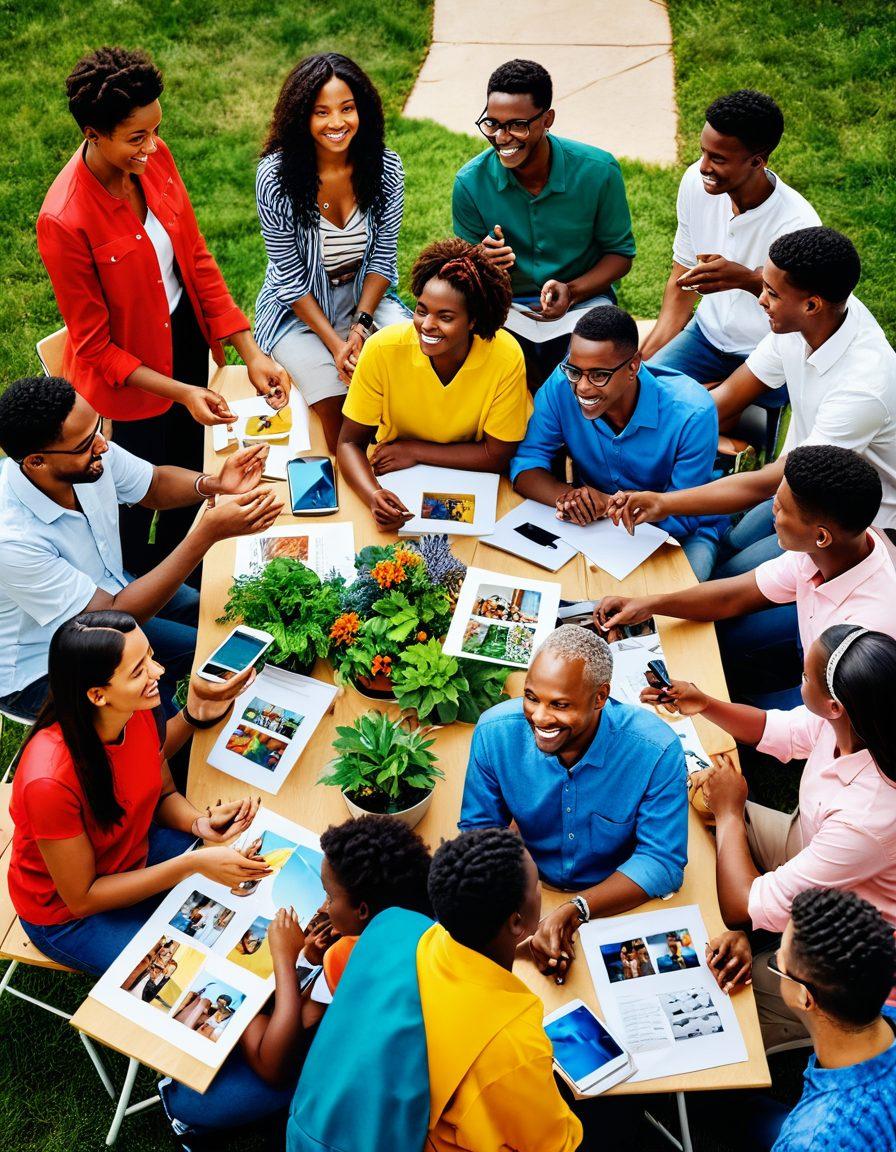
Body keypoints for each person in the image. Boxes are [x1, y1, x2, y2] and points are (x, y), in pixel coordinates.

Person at [37, 46, 288, 574]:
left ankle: (186, 575)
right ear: (92, 133)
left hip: (186, 343)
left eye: (156, 130)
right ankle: (134, 595)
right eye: (136, 137)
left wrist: (250, 350)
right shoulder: (63, 219)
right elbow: (94, 346)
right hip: (128, 384)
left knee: (193, 478)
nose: (153, 147)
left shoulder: (156, 158)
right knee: (131, 503)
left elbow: (194, 257)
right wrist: (180, 393)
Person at [645, 626, 896, 1047]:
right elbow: (773, 728)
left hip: (857, 949)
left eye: (803, 679)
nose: (798, 685)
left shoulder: (867, 820)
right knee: (704, 805)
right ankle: (762, 923)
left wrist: (730, 813)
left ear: (834, 706)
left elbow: (740, 907)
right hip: (820, 856)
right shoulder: (863, 719)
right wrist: (703, 703)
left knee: (722, 995)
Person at [612, 227, 896, 576]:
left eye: (772, 294)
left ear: (811, 305)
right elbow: (727, 398)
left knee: (728, 578)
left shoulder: (863, 388)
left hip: (856, 525)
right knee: (729, 541)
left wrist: (663, 502)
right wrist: (635, 436)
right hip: (797, 484)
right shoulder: (809, 321)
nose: (760, 299)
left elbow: (767, 481)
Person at [0, 376, 282, 721]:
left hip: (109, 594)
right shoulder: (11, 540)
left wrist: (213, 484)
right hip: (43, 667)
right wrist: (205, 535)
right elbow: (115, 617)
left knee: (210, 610)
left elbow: (155, 484)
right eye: (86, 443)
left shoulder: (86, 450)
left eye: (99, 427)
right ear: (37, 462)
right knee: (198, 663)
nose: (103, 445)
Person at [7, 611, 274, 976]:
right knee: (188, 973)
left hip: (136, 853)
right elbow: (83, 897)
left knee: (258, 888)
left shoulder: (136, 711)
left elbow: (163, 795)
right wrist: (190, 864)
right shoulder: (48, 782)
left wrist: (199, 824)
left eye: (149, 655)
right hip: (70, 916)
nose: (158, 671)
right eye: (138, 670)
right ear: (98, 695)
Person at [286, 827, 582, 1151]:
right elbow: (553, 1144)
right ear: (515, 922)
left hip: (314, 1124)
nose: (539, 888)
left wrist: (517, 950)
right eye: (536, 883)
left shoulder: (395, 926)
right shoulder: (514, 1043)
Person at [160, 814, 433, 1147]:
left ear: (363, 910)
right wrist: (307, 960)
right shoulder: (416, 930)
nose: (322, 906)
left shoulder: (350, 958)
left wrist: (284, 960)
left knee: (199, 1099)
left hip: (348, 1105)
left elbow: (275, 1063)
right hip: (390, 1085)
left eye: (330, 898)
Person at [459, 625, 687, 984]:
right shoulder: (493, 733)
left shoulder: (656, 750)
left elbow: (661, 861)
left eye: (560, 705)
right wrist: (514, 923)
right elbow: (478, 833)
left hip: (618, 900)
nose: (540, 718)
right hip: (527, 899)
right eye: (532, 697)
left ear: (600, 697)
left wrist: (577, 909)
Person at [598, 445, 896, 710]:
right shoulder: (826, 552)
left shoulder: (865, 629)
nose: (771, 516)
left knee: (736, 709)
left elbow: (826, 722)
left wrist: (711, 707)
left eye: (780, 511)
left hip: (842, 706)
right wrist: (649, 604)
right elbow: (733, 596)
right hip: (818, 666)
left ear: (820, 536)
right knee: (719, 645)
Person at [255, 53, 410, 452]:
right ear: (300, 118)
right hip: (298, 311)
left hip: (365, 301)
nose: (337, 123)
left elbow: (382, 261)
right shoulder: (275, 177)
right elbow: (287, 278)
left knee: (410, 376)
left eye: (347, 108)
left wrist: (360, 328)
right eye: (321, 112)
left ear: (364, 111)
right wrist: (337, 345)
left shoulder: (387, 168)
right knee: (339, 412)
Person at [452, 58, 635, 388]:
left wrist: (572, 290)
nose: (502, 138)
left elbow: (620, 255)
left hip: (582, 303)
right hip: (505, 308)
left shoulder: (599, 171)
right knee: (486, 376)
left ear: (547, 119)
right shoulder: (469, 182)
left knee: (591, 376)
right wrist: (479, 260)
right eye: (492, 124)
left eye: (517, 125)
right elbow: (461, 273)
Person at [510, 304, 725, 580]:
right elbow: (527, 464)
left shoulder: (692, 413)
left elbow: (684, 516)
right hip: (595, 529)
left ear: (633, 366)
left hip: (680, 535)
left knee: (671, 612)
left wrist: (606, 504)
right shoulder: (562, 385)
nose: (583, 388)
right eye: (575, 371)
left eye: (599, 375)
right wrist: (569, 499)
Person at [642, 89, 819, 422]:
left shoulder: (798, 224)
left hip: (768, 353)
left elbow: (804, 316)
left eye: (718, 159)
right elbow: (681, 284)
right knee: (637, 400)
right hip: (704, 338)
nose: (704, 167)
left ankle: (733, 435)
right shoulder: (696, 184)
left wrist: (749, 280)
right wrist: (646, 360)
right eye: (703, 152)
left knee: (697, 417)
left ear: (757, 160)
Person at [337, 238, 529, 531]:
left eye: (446, 317)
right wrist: (373, 495)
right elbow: (349, 442)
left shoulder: (505, 355)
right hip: (401, 478)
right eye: (422, 310)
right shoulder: (382, 349)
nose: (427, 325)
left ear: (473, 321)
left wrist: (414, 451)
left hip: (473, 479)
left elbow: (498, 455)